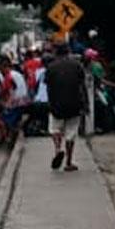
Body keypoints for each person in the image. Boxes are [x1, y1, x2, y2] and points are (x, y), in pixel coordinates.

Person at [45, 43, 86, 171]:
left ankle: (58, 149)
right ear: (68, 52)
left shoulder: (51, 67)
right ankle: (68, 162)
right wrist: (85, 104)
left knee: (55, 130)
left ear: (56, 52)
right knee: (71, 134)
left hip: (56, 105)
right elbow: (82, 86)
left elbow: (48, 86)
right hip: (75, 105)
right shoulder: (77, 66)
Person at [0, 57, 30, 135]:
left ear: (5, 68)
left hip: (17, 101)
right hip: (24, 99)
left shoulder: (9, 76)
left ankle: (11, 132)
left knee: (6, 116)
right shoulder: (17, 74)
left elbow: (5, 90)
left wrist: (0, 99)